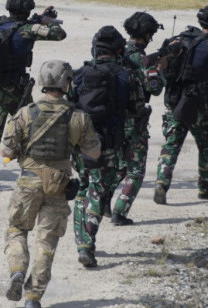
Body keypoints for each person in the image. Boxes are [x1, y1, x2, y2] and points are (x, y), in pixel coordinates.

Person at [1, 60, 100, 308]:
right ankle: (33, 298)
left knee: (16, 230)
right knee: (47, 243)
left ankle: (17, 269)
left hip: (28, 183)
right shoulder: (78, 116)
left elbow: (5, 151)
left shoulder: (25, 113)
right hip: (58, 184)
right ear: (66, 82)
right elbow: (95, 153)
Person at [72, 26, 144, 268]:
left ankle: (82, 242)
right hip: (110, 143)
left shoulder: (80, 73)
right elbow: (137, 109)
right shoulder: (127, 75)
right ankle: (87, 244)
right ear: (119, 51)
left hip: (80, 141)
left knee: (83, 189)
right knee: (98, 191)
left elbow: (69, 106)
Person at [154, 4, 208, 204]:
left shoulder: (182, 39)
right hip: (198, 104)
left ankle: (161, 182)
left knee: (171, 145)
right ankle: (206, 187)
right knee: (205, 145)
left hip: (174, 100)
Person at [0, 0, 66, 191]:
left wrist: (38, 19)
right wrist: (47, 22)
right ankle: (31, 169)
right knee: (30, 127)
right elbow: (59, 34)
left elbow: (16, 26)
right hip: (17, 88)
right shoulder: (29, 29)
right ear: (28, 10)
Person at [106, 12, 165, 226]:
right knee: (136, 169)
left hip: (114, 118)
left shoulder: (116, 52)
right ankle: (119, 212)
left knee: (119, 166)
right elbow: (155, 88)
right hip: (135, 121)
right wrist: (160, 68)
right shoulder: (142, 59)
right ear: (148, 35)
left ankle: (102, 200)